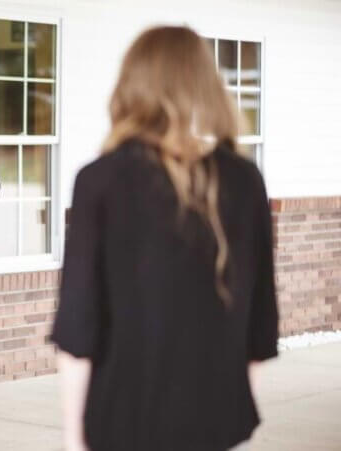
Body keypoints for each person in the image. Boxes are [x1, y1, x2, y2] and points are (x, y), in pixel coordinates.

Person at [51, 26, 279, 451]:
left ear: (131, 87)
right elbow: (260, 328)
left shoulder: (100, 180)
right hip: (219, 422)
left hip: (121, 423)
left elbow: (78, 330)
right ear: (206, 86)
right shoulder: (245, 181)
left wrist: (73, 439)